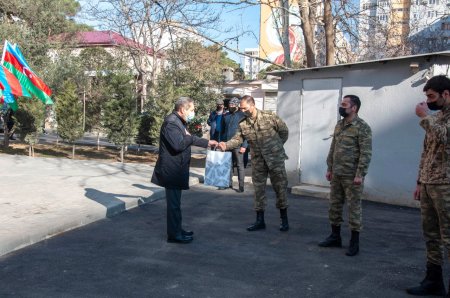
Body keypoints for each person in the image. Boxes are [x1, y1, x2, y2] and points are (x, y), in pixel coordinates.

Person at [218, 95, 290, 232]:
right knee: (258, 191)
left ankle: (284, 220)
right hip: (258, 161)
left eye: (244, 108)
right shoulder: (243, 123)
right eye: (240, 108)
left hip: (275, 159)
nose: (242, 110)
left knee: (280, 189)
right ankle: (260, 221)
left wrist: (276, 147)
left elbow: (284, 132)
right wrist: (225, 145)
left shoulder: (269, 117)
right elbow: (237, 140)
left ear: (252, 105)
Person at [151, 97, 218, 244]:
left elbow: (190, 139)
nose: (193, 112)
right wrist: (188, 137)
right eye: (192, 110)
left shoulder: (178, 122)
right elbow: (178, 145)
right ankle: (174, 235)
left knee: (176, 204)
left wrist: (207, 142)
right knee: (173, 205)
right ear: (182, 109)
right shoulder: (171, 123)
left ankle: (177, 230)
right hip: (172, 171)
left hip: (177, 169)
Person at [406, 75, 450, 297]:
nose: (429, 101)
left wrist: (425, 117)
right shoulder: (438, 117)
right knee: (430, 235)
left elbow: (446, 138)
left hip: (446, 186)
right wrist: (419, 181)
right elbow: (427, 151)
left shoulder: (437, 120)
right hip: (429, 183)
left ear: (446, 94)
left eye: (432, 96)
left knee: (448, 236)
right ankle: (434, 281)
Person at [318, 95, 372, 257]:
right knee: (334, 206)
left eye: (344, 104)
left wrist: (360, 174)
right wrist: (330, 168)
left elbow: (366, 153)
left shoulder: (362, 127)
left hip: (352, 176)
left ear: (353, 108)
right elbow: (333, 147)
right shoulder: (339, 125)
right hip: (337, 174)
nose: (341, 107)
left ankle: (354, 243)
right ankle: (335, 237)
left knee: (354, 208)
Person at [221, 97, 248, 192]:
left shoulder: (243, 116)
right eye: (230, 105)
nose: (231, 106)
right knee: (228, 165)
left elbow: (246, 132)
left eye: (233, 105)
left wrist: (244, 146)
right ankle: (228, 183)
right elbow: (223, 131)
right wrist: (222, 143)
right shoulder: (225, 116)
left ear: (237, 105)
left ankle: (241, 186)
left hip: (238, 145)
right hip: (227, 144)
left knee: (240, 166)